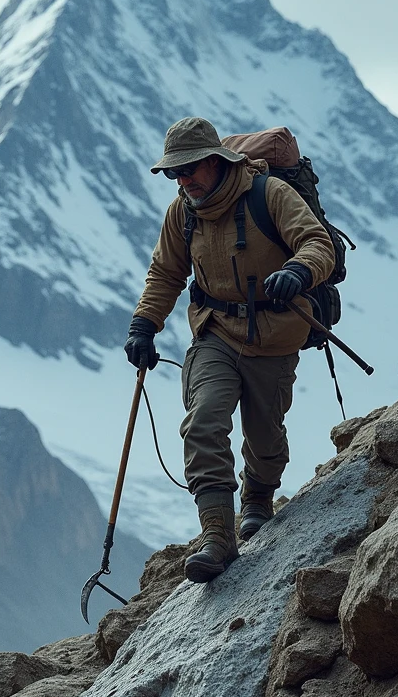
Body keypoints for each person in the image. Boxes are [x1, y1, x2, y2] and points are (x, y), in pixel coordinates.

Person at [124, 117, 335, 583]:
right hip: (214, 333)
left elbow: (319, 244)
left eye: (191, 169)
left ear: (218, 162)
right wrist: (144, 325)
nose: (184, 180)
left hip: (276, 337)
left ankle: (257, 497)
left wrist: (298, 272)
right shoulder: (183, 212)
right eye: (175, 173)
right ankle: (217, 536)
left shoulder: (269, 195)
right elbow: (165, 274)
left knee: (264, 437)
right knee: (203, 421)